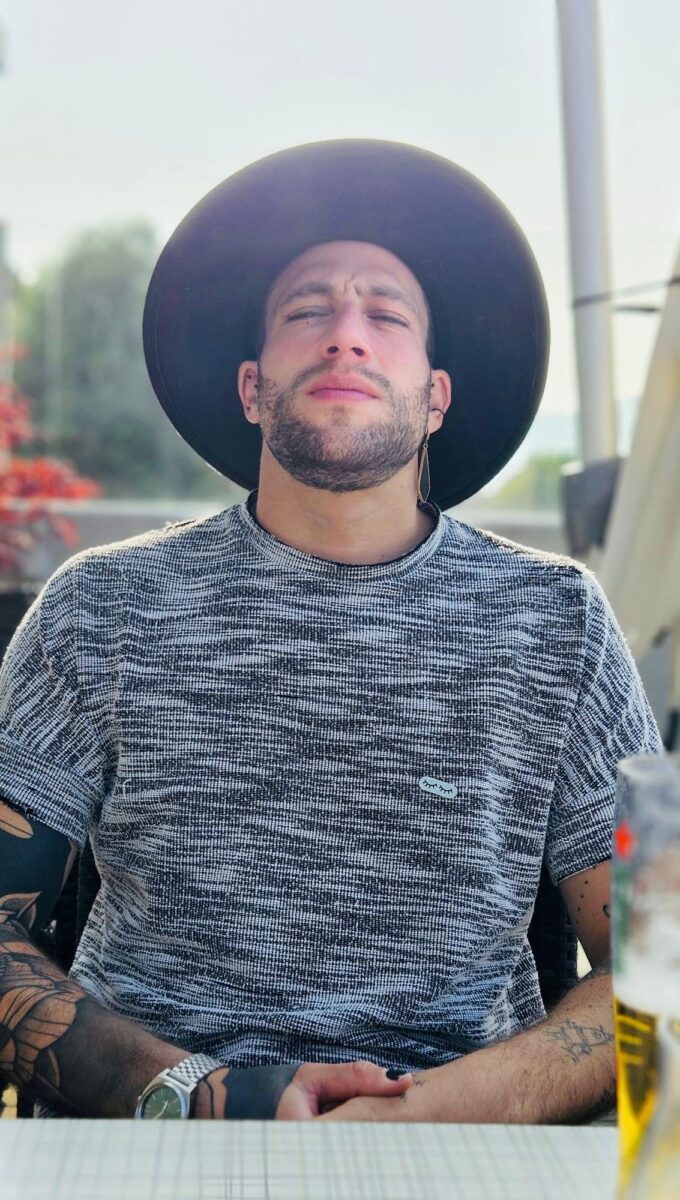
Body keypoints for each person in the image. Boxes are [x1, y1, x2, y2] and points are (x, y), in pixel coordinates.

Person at [0, 141, 662, 1123]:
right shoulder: (98, 607)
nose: (346, 335)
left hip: (463, 1149)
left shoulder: (557, 620)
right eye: (306, 310)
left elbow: (660, 965)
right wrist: (210, 1097)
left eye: (385, 315)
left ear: (434, 398)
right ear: (250, 388)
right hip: (158, 1147)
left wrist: (430, 1111)